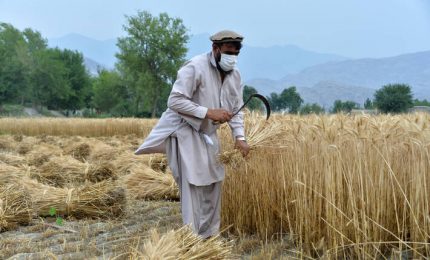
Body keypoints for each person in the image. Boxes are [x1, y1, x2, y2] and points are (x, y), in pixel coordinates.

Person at [135, 30, 250, 238]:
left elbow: (236, 108)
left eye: (235, 54)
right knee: (193, 185)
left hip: (208, 133)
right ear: (215, 49)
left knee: (214, 182)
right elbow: (175, 101)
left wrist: (239, 137)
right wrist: (207, 112)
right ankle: (191, 238)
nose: (232, 58)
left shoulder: (235, 75)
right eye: (227, 53)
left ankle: (210, 237)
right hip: (183, 130)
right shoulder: (195, 67)